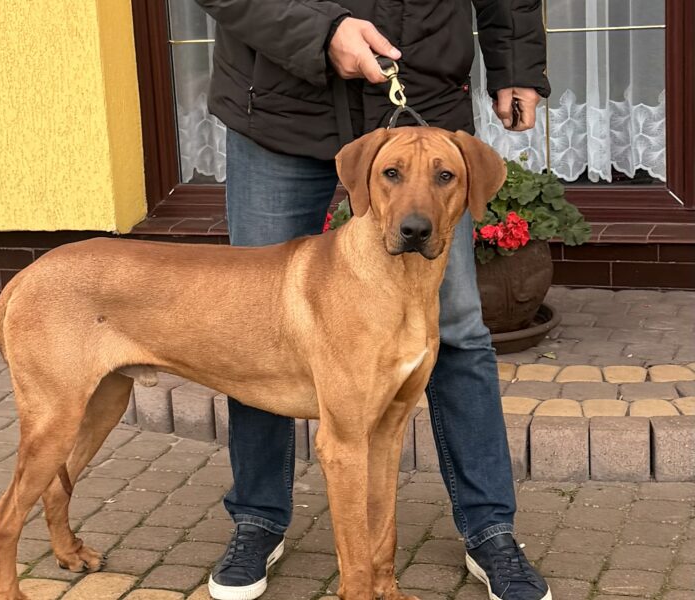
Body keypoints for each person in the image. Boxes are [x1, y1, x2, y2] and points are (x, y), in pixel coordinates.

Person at [192, 1, 552, 599]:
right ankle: (258, 518)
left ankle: (490, 529)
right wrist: (319, 33)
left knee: (460, 334)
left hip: (422, 99)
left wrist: (515, 60)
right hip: (279, 103)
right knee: (257, 330)